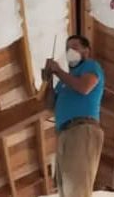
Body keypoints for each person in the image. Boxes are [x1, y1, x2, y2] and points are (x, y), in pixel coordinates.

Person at [43, 35, 105, 197]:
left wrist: (58, 70)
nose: (70, 51)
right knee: (67, 190)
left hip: (82, 129)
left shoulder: (90, 66)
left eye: (75, 47)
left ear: (86, 51)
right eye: (67, 48)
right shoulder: (63, 83)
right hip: (65, 133)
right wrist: (48, 80)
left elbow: (84, 87)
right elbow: (50, 105)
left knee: (77, 187)